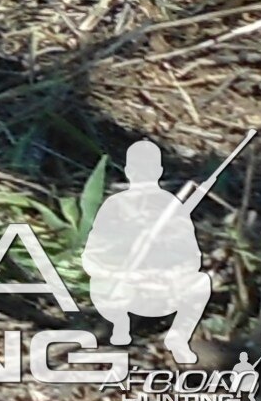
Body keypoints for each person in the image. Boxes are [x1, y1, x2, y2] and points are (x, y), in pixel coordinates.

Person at [84, 139, 214, 361]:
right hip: (121, 284)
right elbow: (91, 258)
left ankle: (178, 337)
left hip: (160, 285)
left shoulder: (171, 205)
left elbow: (191, 258)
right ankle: (117, 329)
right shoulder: (114, 206)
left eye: (150, 169)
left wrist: (167, 268)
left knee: (200, 282)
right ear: (127, 171)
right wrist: (122, 270)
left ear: (159, 171)